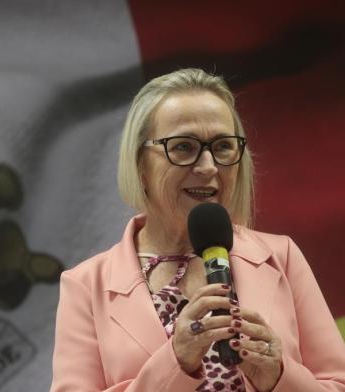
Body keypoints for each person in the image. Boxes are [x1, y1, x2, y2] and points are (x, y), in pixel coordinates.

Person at [50, 68, 345, 391]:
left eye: (222, 147)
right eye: (183, 147)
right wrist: (174, 362)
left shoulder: (281, 257)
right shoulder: (85, 287)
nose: (207, 167)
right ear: (140, 163)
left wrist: (279, 377)